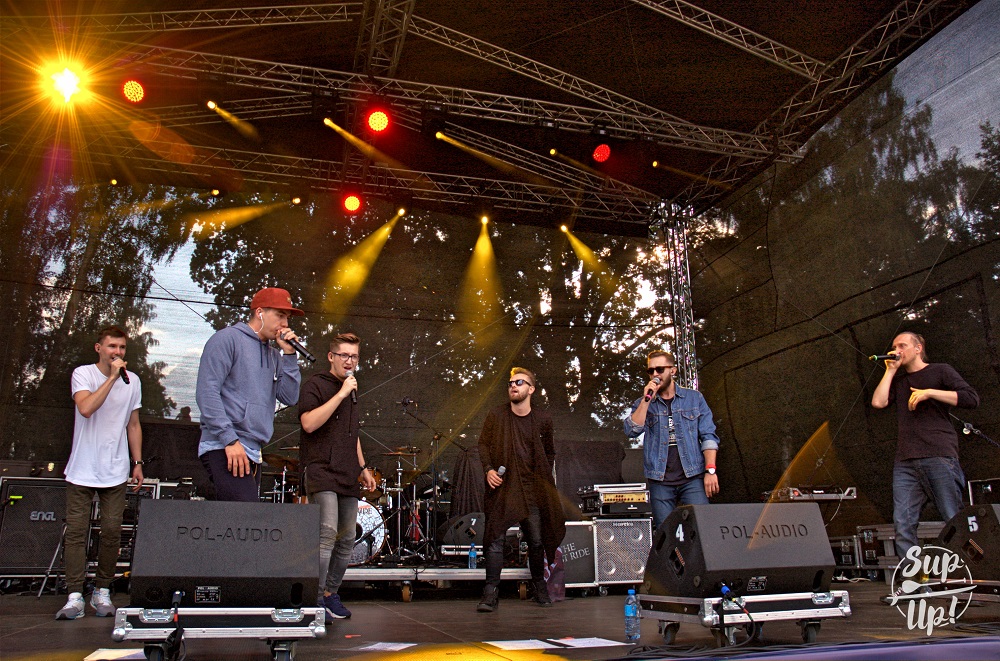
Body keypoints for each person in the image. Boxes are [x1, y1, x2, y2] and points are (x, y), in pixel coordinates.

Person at [871, 332, 979, 571]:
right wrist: (890, 371)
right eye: (894, 346)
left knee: (953, 518)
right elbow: (878, 402)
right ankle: (915, 582)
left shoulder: (940, 371)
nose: (896, 350)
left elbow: (971, 398)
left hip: (939, 455)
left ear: (918, 348)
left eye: (902, 345)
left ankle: (973, 577)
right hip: (906, 461)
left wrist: (930, 392)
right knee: (903, 523)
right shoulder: (899, 381)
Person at [56, 326, 143, 620]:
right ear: (99, 348)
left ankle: (102, 590)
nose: (117, 352)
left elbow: (133, 424)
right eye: (112, 346)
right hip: (82, 468)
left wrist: (137, 462)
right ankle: (74, 595)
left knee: (112, 532)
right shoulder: (83, 374)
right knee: (76, 533)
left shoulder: (133, 381)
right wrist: (112, 378)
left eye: (122, 347)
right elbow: (86, 408)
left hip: (115, 469)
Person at [196, 287, 304, 502]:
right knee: (245, 515)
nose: (285, 323)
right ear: (260, 312)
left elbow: (290, 397)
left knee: (242, 518)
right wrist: (229, 440)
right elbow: (207, 392)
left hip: (253, 448)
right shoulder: (227, 339)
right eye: (280, 315)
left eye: (287, 318)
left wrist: (290, 355)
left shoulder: (274, 355)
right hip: (224, 444)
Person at [298, 332, 377, 623]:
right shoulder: (316, 384)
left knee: (347, 537)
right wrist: (341, 394)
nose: (349, 361)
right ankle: (315, 597)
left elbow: (352, 433)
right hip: (321, 468)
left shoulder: (352, 389)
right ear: (331, 356)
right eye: (344, 355)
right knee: (327, 533)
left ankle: (331, 593)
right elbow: (308, 423)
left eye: (354, 356)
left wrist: (363, 468)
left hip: (346, 471)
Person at [476, 367, 565, 612]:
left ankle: (539, 586)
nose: (513, 386)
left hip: (531, 490)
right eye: (510, 383)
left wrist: (542, 476)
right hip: (503, 488)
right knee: (495, 540)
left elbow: (549, 452)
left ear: (531, 389)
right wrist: (488, 469)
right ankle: (490, 593)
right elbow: (482, 445)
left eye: (519, 382)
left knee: (536, 541)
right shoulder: (496, 415)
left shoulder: (543, 419)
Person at [625, 350, 720, 532]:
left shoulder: (694, 398)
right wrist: (646, 400)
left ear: (673, 371)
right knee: (666, 534)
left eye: (659, 369)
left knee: (703, 529)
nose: (655, 375)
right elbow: (631, 431)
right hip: (660, 480)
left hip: (692, 477)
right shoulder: (643, 402)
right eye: (650, 371)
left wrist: (710, 470)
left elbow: (708, 436)